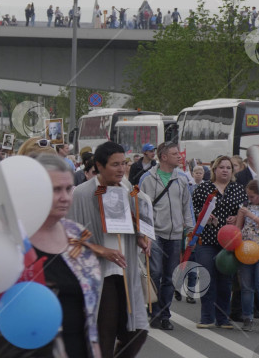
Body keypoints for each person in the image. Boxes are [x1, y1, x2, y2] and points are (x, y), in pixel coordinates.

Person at [67, 141, 152, 358]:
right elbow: (70, 238)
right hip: (101, 273)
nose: (122, 169)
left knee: (138, 331)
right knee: (105, 331)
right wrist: (101, 250)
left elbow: (139, 219)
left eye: (123, 163)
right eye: (115, 164)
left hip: (127, 269)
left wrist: (141, 236)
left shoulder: (129, 190)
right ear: (99, 166)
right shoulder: (81, 194)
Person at [27, 154, 102, 357]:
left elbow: (89, 310)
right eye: (56, 190)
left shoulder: (77, 234)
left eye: (69, 189)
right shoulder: (14, 238)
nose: (65, 197)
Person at [138, 142, 192, 330]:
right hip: (154, 233)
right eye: (175, 153)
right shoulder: (147, 178)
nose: (179, 156)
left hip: (176, 234)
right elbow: (140, 206)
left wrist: (190, 227)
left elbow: (187, 205)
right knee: (155, 273)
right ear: (163, 157)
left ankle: (164, 315)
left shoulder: (183, 178)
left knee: (170, 276)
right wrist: (143, 233)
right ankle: (153, 311)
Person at [192, 155, 246, 328]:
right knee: (208, 276)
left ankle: (223, 318)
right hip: (207, 239)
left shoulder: (238, 189)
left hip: (229, 242)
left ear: (233, 171)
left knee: (226, 279)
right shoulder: (204, 188)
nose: (225, 170)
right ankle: (207, 317)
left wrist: (237, 217)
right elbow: (192, 209)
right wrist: (204, 216)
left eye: (228, 168)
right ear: (214, 170)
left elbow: (245, 212)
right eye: (221, 167)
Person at [236, 180, 259, 331]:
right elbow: (238, 228)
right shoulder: (244, 206)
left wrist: (251, 215)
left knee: (258, 284)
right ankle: (247, 317)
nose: (249, 199)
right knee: (246, 286)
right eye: (248, 196)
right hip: (245, 250)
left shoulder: (250, 210)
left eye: (252, 197)